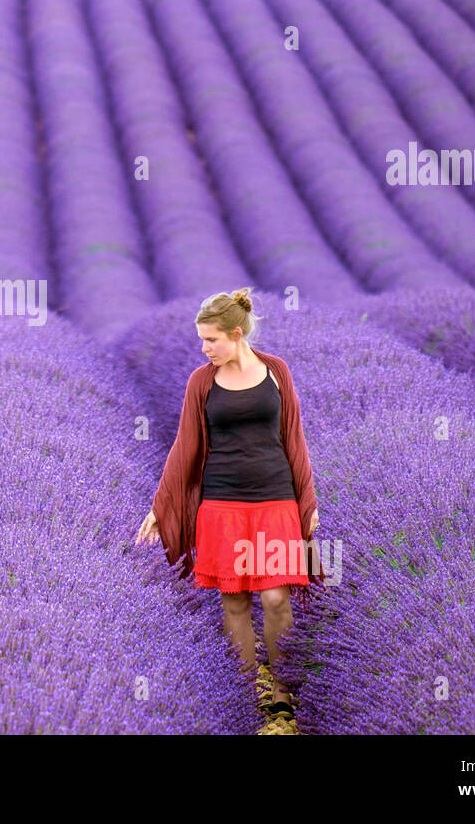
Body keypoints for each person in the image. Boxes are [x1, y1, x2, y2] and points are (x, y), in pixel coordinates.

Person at [134, 288, 322, 723]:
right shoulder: (202, 381)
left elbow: (294, 437)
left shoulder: (276, 372)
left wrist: (307, 500)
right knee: (234, 600)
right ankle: (245, 692)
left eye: (211, 340)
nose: (204, 349)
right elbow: (185, 446)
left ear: (236, 334)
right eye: (202, 340)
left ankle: (282, 687)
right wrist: (161, 506)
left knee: (276, 597)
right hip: (221, 502)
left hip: (276, 498)